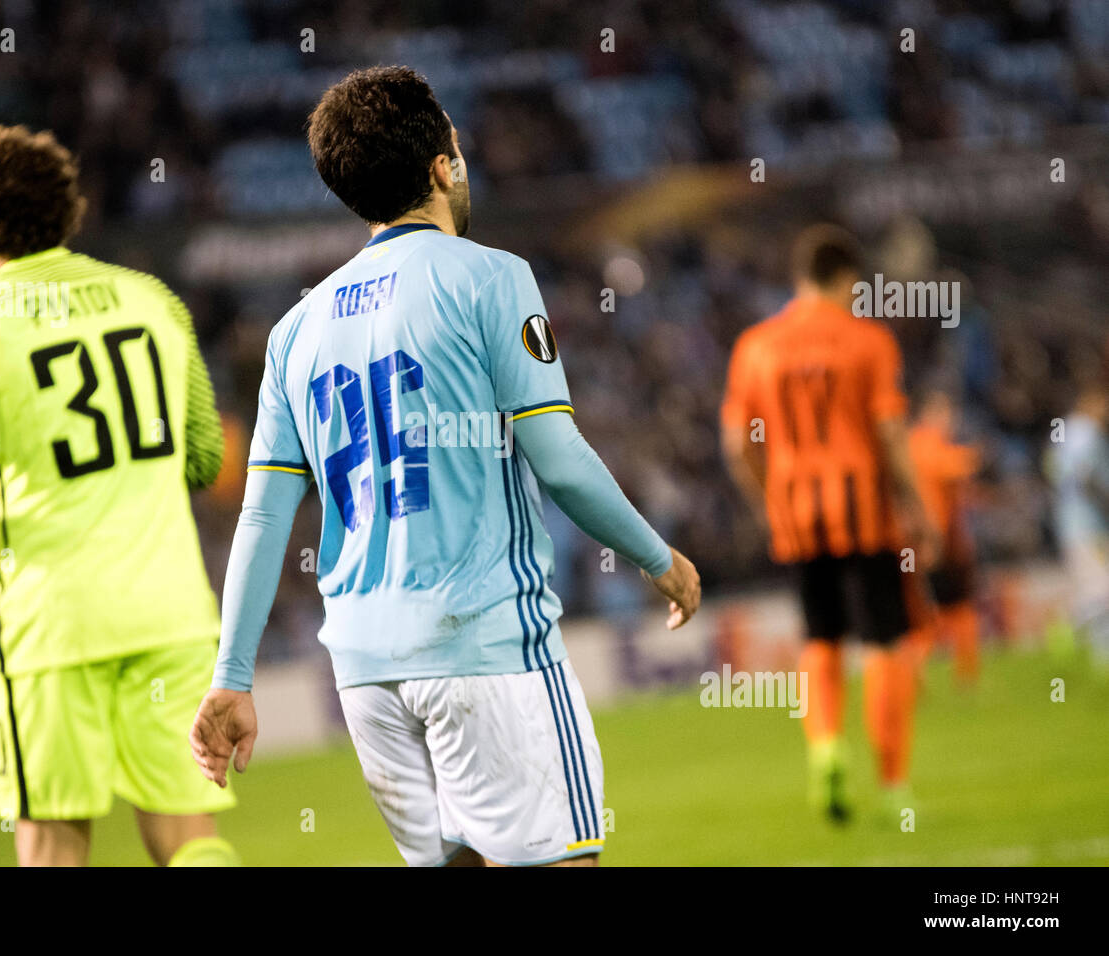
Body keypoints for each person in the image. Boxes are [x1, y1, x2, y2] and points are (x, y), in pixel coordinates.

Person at [190, 66, 700, 867]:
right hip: (484, 646)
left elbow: (262, 516)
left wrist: (232, 674)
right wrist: (657, 557)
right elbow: (560, 462)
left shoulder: (295, 330)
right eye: (456, 147)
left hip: (364, 671)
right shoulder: (491, 278)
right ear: (441, 165)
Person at [0, 125, 238, 866]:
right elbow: (204, 457)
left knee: (53, 845)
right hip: (172, 612)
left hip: (54, 628)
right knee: (190, 840)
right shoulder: (150, 300)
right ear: (72, 207)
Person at [721, 224, 937, 823]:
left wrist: (771, 500)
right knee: (886, 643)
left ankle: (825, 751)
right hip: (865, 515)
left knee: (821, 640)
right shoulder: (868, 342)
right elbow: (892, 433)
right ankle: (894, 783)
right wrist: (916, 506)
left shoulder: (756, 346)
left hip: (797, 516)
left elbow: (738, 444)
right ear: (847, 280)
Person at [907, 389, 981, 683]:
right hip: (936, 542)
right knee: (950, 608)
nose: (951, 422)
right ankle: (957, 675)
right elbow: (953, 467)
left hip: (923, 542)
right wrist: (978, 454)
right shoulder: (927, 444)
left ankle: (927, 674)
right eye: (947, 415)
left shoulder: (914, 444)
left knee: (935, 610)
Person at [1049, 382, 1109, 669]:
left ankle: (1098, 654)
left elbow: (1053, 470)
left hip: (1069, 523)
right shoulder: (1087, 432)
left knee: (1094, 588)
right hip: (1089, 524)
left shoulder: (1064, 433)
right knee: (1100, 590)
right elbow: (1088, 477)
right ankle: (1065, 631)